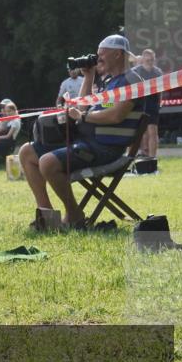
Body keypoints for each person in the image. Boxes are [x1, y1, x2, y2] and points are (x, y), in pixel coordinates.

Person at [19, 34, 150, 229]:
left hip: (106, 149)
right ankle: (46, 217)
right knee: (26, 152)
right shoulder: (109, 82)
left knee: (47, 163)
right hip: (87, 143)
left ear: (118, 54)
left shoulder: (130, 80)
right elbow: (82, 107)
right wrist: (88, 77)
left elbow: (115, 116)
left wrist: (83, 118)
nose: (97, 58)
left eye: (101, 54)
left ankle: (74, 214)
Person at [130, 48, 163, 159]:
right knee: (140, 132)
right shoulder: (135, 71)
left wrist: (160, 102)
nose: (150, 62)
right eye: (148, 60)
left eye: (152, 60)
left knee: (152, 131)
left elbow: (160, 89)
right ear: (143, 59)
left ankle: (152, 158)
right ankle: (140, 155)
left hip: (153, 104)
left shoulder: (157, 72)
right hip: (138, 104)